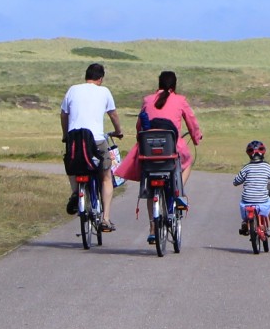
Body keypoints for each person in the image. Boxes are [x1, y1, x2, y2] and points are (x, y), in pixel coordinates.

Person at [114, 70, 202, 221]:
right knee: (187, 164)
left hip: (148, 150)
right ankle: (178, 192)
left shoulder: (148, 100)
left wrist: (140, 139)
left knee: (151, 186)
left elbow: (139, 125)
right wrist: (196, 138)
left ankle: (153, 228)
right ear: (174, 86)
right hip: (171, 149)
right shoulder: (180, 100)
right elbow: (192, 122)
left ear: (159, 84)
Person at [60, 63, 124, 231]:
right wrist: (119, 131)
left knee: (71, 163)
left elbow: (64, 113)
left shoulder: (73, 90)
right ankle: (106, 219)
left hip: (75, 138)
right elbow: (113, 114)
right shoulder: (104, 91)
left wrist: (66, 135)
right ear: (100, 79)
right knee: (106, 177)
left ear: (86, 76)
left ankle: (75, 192)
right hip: (96, 140)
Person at [233, 140, 270, 237]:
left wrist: (238, 182)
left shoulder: (246, 168)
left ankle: (246, 222)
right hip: (262, 200)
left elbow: (236, 181)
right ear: (263, 153)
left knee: (244, 204)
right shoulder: (266, 166)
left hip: (247, 201)